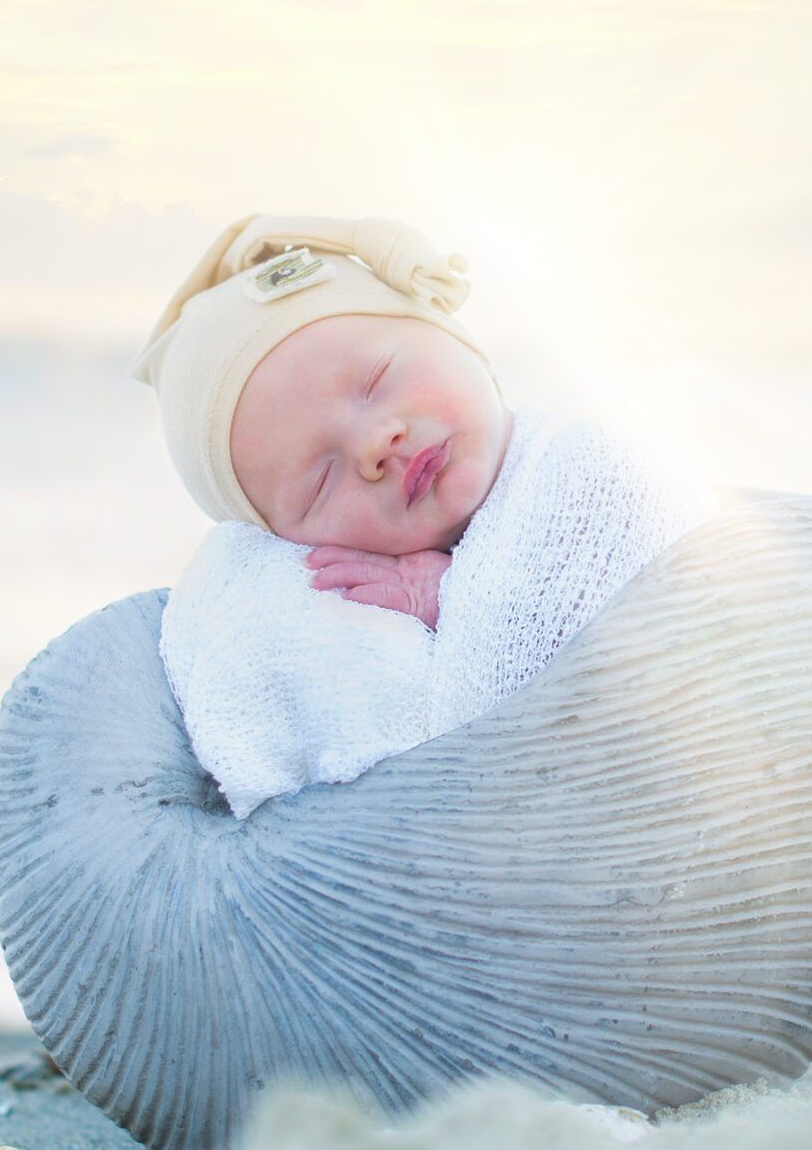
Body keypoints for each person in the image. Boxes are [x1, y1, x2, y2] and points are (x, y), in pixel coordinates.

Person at [129, 214, 720, 818]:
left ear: (450, 332)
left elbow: (672, 628)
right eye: (321, 479)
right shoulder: (329, 604)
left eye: (376, 380)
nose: (374, 444)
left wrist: (456, 599)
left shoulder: (588, 458)